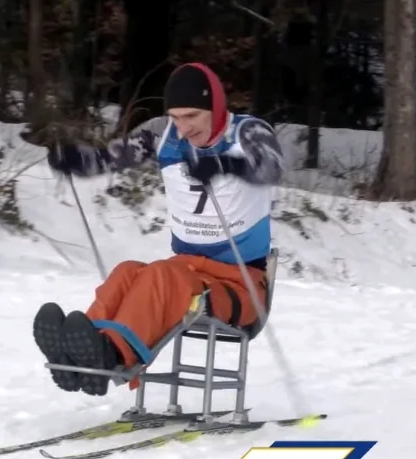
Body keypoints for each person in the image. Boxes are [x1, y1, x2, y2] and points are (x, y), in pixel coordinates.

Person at [34, 62, 285, 396]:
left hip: (241, 284)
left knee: (161, 278)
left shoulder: (247, 133)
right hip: (190, 272)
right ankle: (82, 353)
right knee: (127, 272)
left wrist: (226, 163)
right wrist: (77, 160)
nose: (182, 128)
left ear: (216, 107)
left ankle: (113, 355)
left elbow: (270, 167)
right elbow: (111, 158)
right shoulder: (162, 133)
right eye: (176, 116)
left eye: (192, 116)